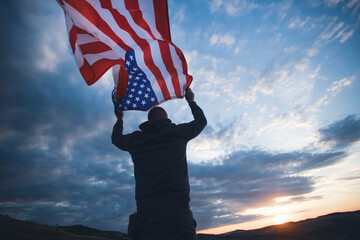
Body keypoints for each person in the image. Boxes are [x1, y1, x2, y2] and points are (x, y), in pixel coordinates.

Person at [111, 88, 207, 240]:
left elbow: (116, 139)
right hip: (179, 216)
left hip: (147, 218)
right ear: (166, 118)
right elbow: (201, 121)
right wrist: (191, 101)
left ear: (148, 121)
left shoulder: (136, 140)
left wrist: (119, 119)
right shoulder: (178, 132)